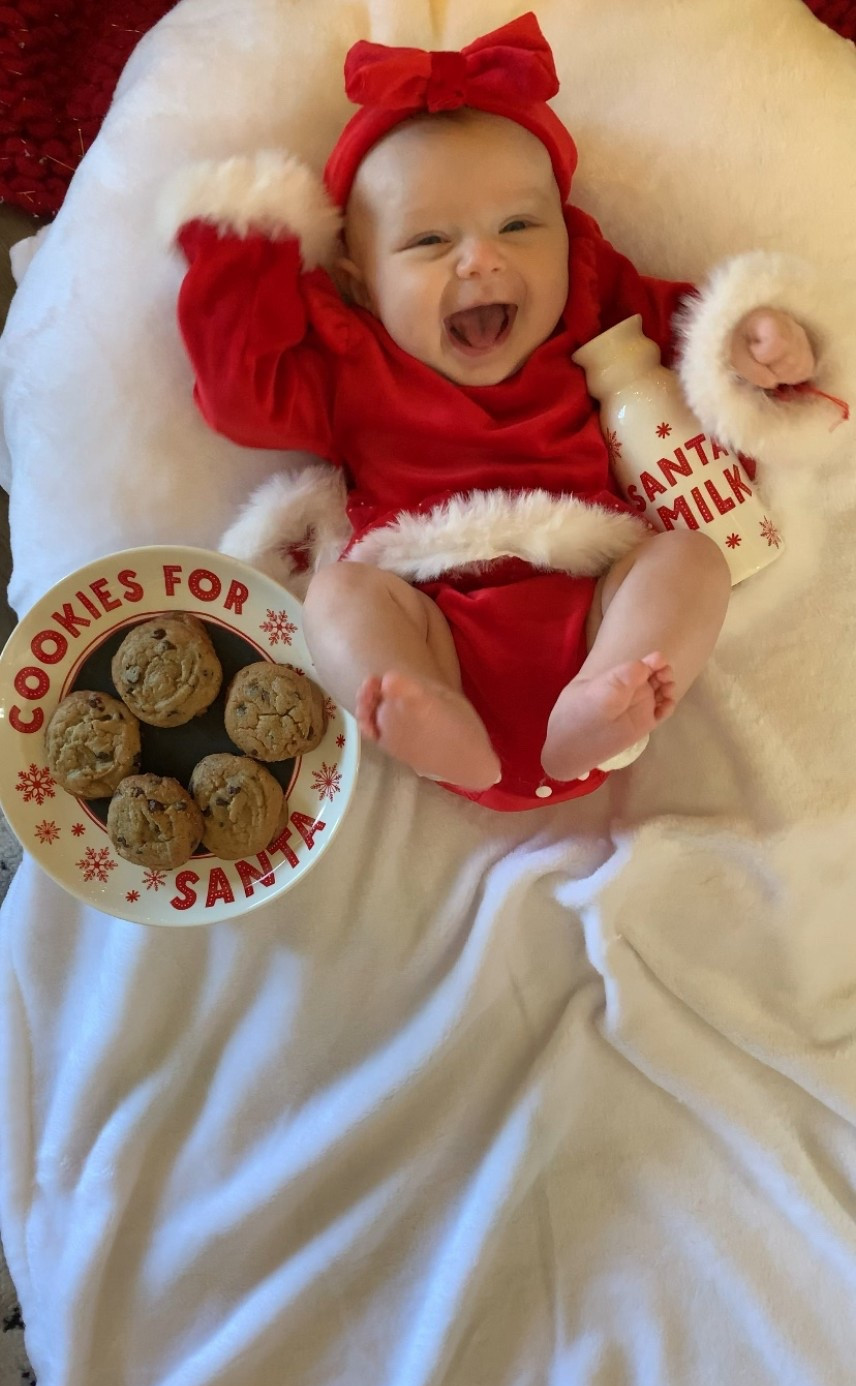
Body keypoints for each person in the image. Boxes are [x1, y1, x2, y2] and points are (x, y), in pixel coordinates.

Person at [169, 12, 817, 810]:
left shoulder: (590, 308)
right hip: (428, 622)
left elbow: (694, 334)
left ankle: (602, 704)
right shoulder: (353, 358)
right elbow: (241, 392)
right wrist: (242, 243)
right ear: (361, 283)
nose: (482, 258)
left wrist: (754, 340)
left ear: (570, 239)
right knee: (339, 597)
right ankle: (424, 710)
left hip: (597, 619)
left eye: (518, 225)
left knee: (691, 561)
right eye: (430, 242)